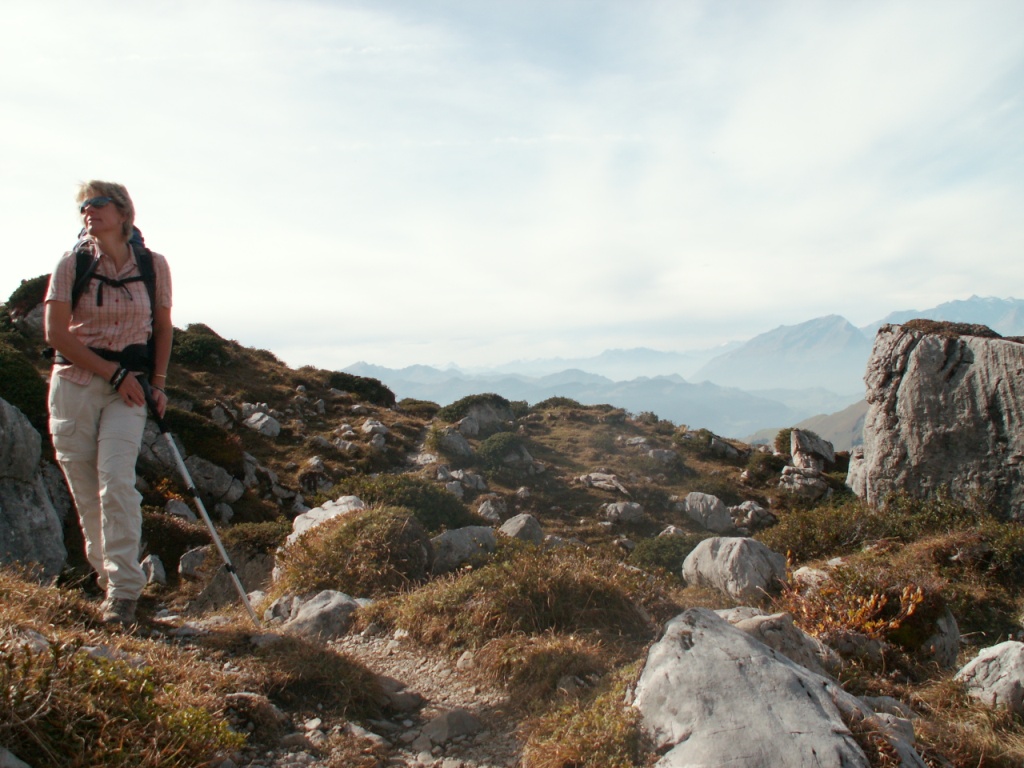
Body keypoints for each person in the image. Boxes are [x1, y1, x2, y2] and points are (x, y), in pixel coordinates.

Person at [44, 181, 173, 627]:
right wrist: (112, 373)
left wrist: (158, 382)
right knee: (87, 494)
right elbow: (55, 334)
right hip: (75, 385)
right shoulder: (71, 264)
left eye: (98, 203)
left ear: (122, 213)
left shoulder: (153, 266)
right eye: (83, 205)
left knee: (116, 482)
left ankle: (123, 594)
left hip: (129, 390)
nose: (88, 211)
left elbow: (163, 326)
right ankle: (110, 581)